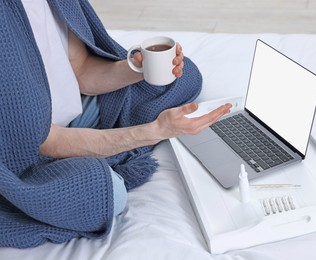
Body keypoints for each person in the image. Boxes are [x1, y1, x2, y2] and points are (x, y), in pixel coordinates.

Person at [0, 0, 231, 248]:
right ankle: (103, 157)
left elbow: (82, 71)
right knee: (108, 195)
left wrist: (139, 70)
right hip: (27, 151)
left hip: (71, 116)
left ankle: (101, 149)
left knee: (185, 78)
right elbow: (45, 141)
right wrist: (152, 133)